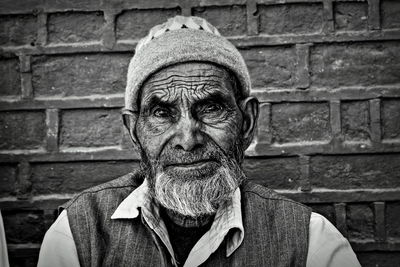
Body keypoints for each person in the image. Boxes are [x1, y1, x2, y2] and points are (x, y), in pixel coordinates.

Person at [38, 16, 360, 267]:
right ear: (134, 131)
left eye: (210, 108)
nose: (188, 139)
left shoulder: (310, 244)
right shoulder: (78, 236)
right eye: (163, 113)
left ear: (246, 122)